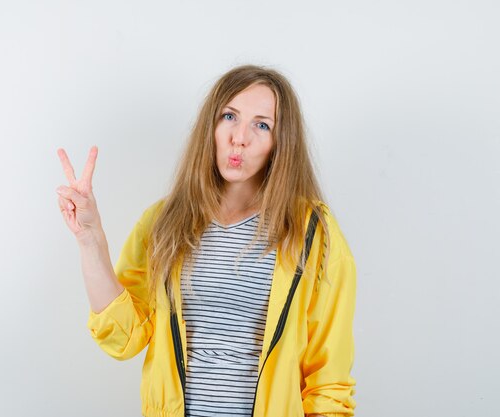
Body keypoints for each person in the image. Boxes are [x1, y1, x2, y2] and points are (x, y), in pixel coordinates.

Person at [55, 65, 356, 417]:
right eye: (229, 116)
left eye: (262, 124)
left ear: (280, 143)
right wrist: (90, 239)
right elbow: (123, 337)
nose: (239, 137)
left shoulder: (312, 233)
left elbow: (328, 382)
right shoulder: (164, 222)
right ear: (210, 126)